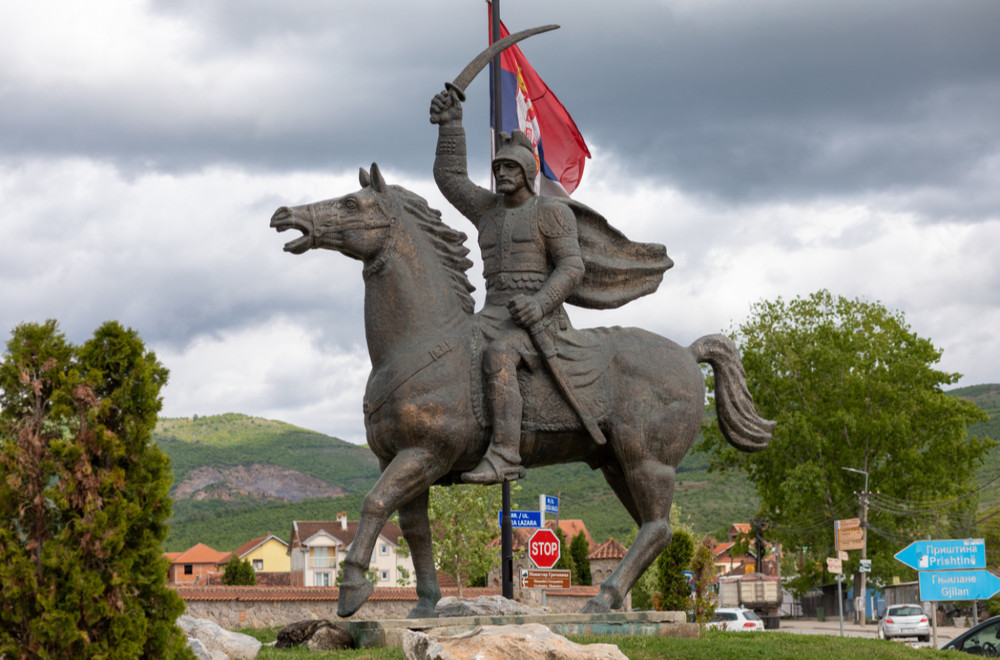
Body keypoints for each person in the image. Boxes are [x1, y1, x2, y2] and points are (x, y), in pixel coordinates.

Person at [430, 88, 585, 484]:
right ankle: (451, 443)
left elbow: (572, 266)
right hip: (492, 312)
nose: (500, 173)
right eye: (497, 168)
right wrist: (451, 125)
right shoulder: (487, 211)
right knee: (447, 348)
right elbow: (450, 178)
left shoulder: (551, 213)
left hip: (541, 320)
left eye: (509, 168)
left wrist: (540, 303)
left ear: (527, 173)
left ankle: (505, 455)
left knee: (500, 354)